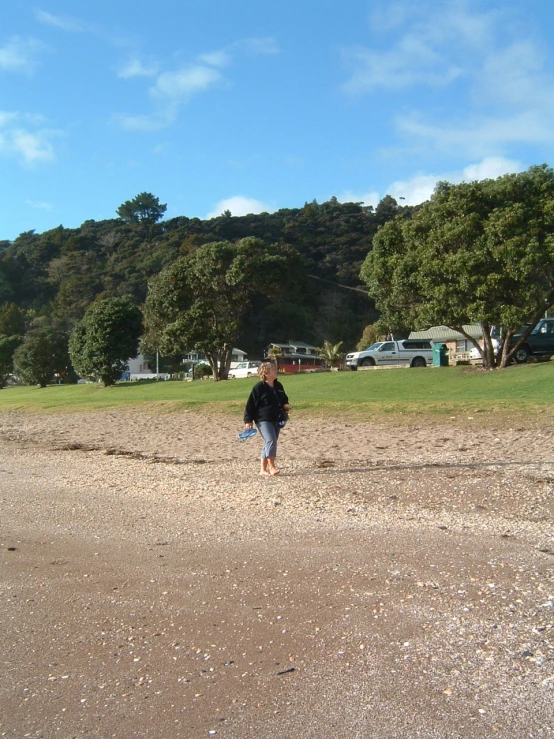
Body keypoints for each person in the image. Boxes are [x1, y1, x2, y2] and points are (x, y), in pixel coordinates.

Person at [243, 362, 291, 476]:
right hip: (262, 419)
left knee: (269, 442)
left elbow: (283, 399)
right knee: (271, 440)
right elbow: (250, 405)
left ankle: (262, 470)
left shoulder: (278, 385)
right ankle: (272, 467)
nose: (276, 371)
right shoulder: (259, 387)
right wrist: (248, 420)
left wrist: (286, 405)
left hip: (277, 418)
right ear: (266, 373)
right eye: (273, 369)